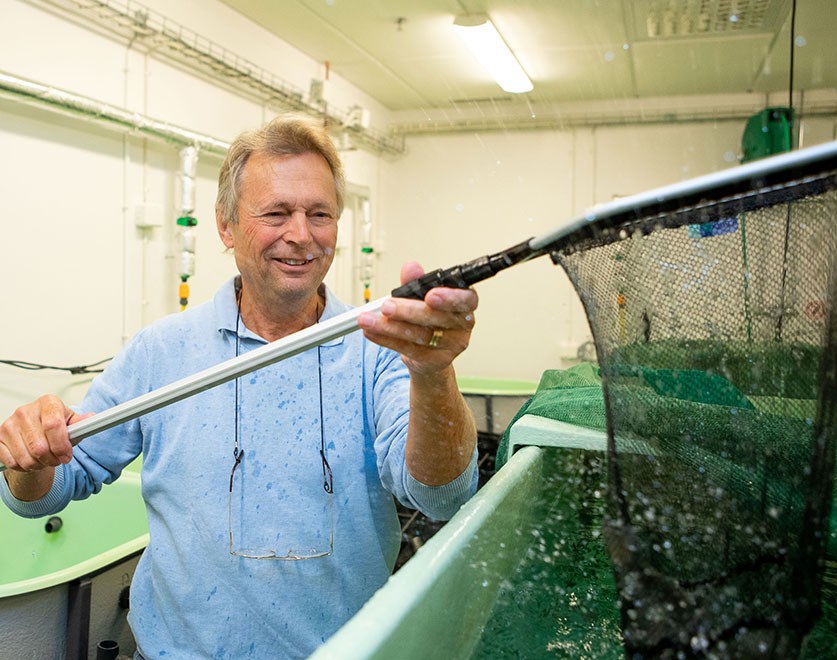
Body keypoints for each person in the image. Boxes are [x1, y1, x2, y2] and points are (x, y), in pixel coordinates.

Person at [0, 114, 479, 658]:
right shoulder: (161, 352)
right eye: (276, 213)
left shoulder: (379, 349)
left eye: (319, 214)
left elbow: (441, 496)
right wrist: (30, 462)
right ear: (226, 226)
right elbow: (51, 492)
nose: (301, 234)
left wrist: (433, 373)